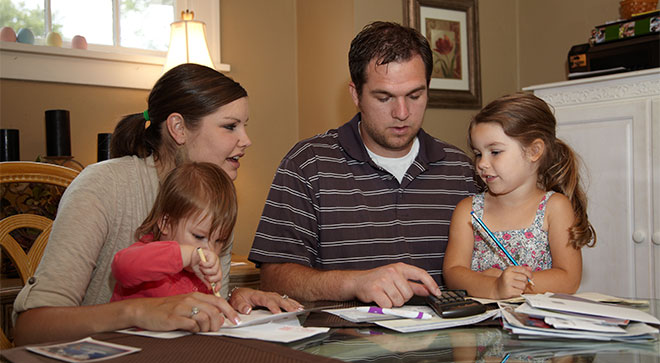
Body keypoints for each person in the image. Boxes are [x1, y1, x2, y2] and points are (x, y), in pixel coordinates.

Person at [13, 63, 301, 346]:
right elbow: (31, 328)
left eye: (244, 126)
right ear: (178, 128)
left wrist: (232, 302)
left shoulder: (215, 202)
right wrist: (137, 312)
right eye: (230, 126)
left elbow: (193, 311)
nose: (246, 140)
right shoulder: (104, 187)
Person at [249, 21, 480, 308]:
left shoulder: (461, 170)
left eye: (415, 96)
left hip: (446, 346)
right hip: (340, 348)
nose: (402, 113)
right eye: (384, 97)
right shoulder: (308, 164)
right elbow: (273, 279)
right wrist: (354, 283)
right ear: (355, 94)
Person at [443, 93, 596, 299]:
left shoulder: (554, 207)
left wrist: (514, 284)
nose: (482, 164)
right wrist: (494, 287)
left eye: (495, 152)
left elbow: (569, 279)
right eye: (478, 153)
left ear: (534, 151)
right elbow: (453, 273)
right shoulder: (468, 211)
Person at [111, 162, 234, 303]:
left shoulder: (201, 273)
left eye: (219, 241)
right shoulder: (147, 254)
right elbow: (122, 268)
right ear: (166, 223)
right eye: (199, 236)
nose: (210, 250)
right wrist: (186, 255)